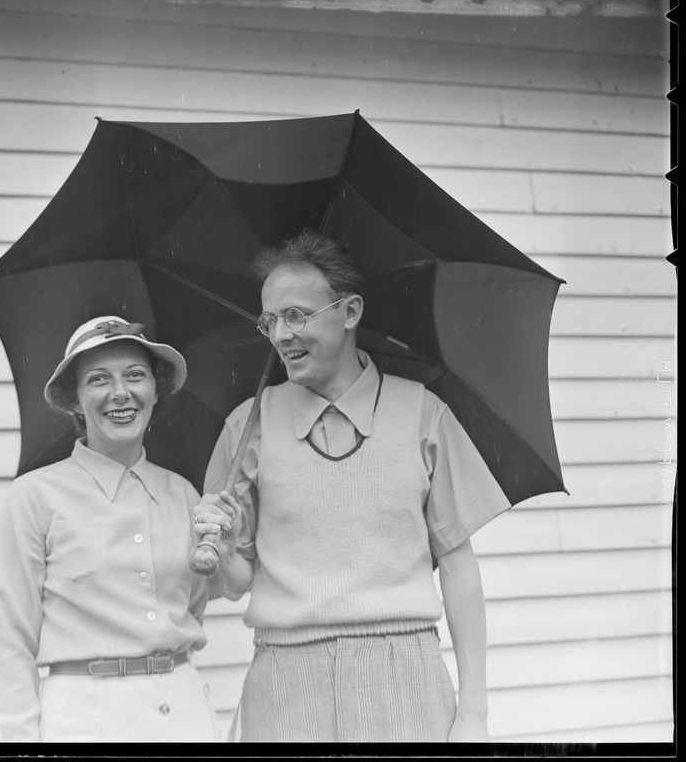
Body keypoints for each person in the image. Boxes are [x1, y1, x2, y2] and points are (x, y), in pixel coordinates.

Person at [193, 231, 510, 743]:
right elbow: (232, 582)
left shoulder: (423, 414)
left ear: (350, 311)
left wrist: (474, 711)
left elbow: (457, 563)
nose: (279, 335)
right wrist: (224, 548)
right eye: (269, 321)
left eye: (295, 315)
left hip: (405, 675)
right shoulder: (247, 426)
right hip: (284, 683)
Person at [0, 316, 223, 742]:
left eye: (135, 375)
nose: (120, 393)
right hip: (85, 721)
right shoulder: (35, 496)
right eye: (98, 379)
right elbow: (10, 641)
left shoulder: (184, 495)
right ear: (74, 400)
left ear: (154, 390)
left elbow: (191, 606)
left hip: (184, 712)